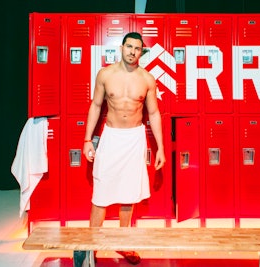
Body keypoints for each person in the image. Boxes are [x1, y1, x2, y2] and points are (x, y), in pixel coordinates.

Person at [82, 32, 166, 265]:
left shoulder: (147, 79)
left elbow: (154, 113)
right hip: (111, 138)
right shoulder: (105, 74)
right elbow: (96, 105)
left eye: (137, 48)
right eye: (129, 46)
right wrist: (87, 139)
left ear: (141, 52)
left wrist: (160, 148)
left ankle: (123, 242)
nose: (132, 51)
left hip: (134, 138)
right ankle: (92, 245)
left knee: (129, 195)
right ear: (121, 48)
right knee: (100, 193)